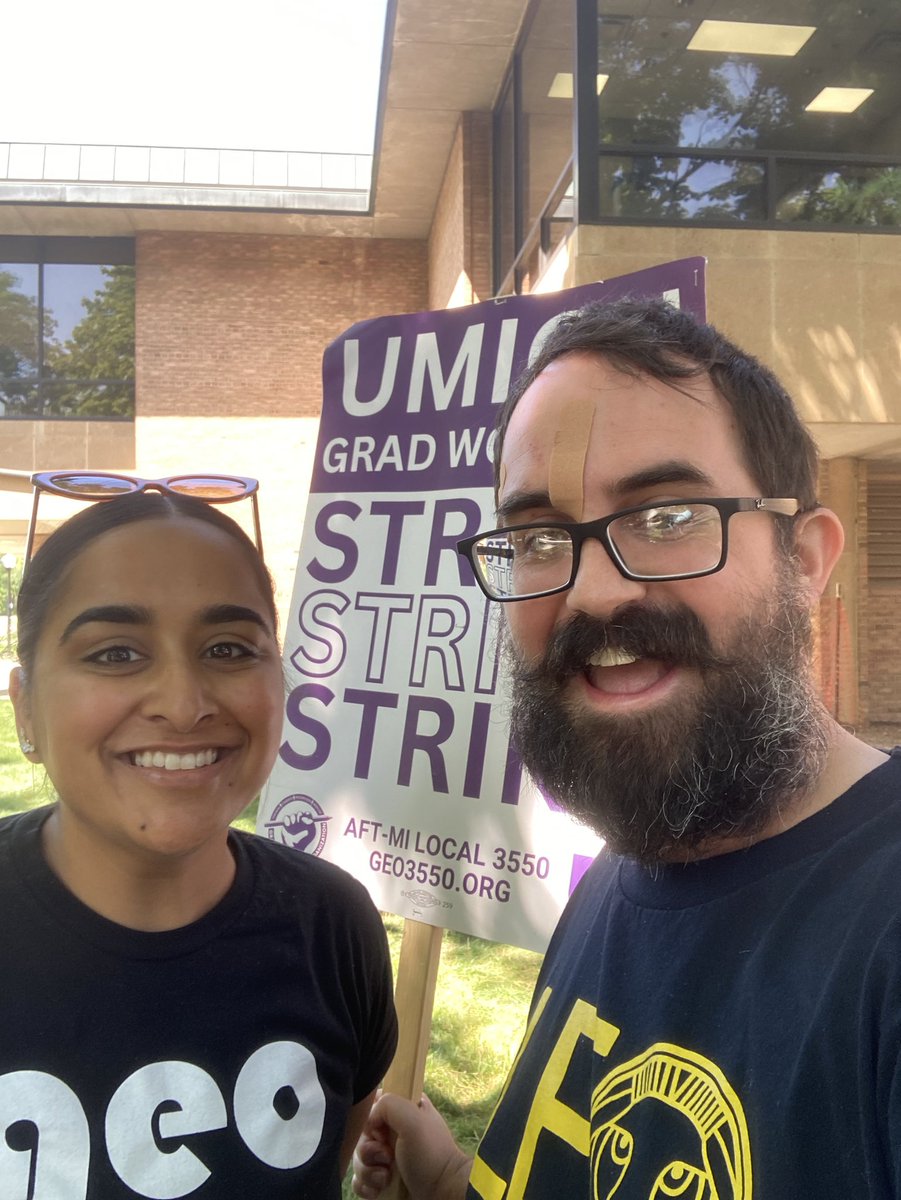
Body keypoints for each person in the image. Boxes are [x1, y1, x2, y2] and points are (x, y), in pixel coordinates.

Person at [353, 297, 901, 1199]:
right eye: (535, 538)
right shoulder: (625, 869)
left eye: (668, 516)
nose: (594, 595)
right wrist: (453, 1178)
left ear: (804, 559)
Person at [5, 483, 397, 1198]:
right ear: (24, 705)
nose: (184, 706)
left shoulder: (332, 929)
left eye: (227, 648)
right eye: (116, 653)